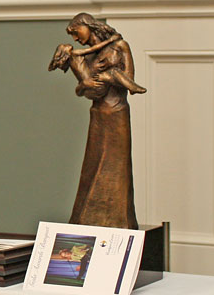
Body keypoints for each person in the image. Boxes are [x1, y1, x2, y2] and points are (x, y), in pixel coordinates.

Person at [49, 13, 144, 229]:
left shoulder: (119, 46)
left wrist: (109, 77)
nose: (75, 38)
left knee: (116, 167)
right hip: (98, 113)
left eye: (75, 31)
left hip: (117, 113)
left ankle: (120, 221)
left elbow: (128, 77)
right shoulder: (85, 56)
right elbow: (83, 90)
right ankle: (86, 219)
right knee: (92, 166)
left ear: (86, 25)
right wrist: (86, 84)